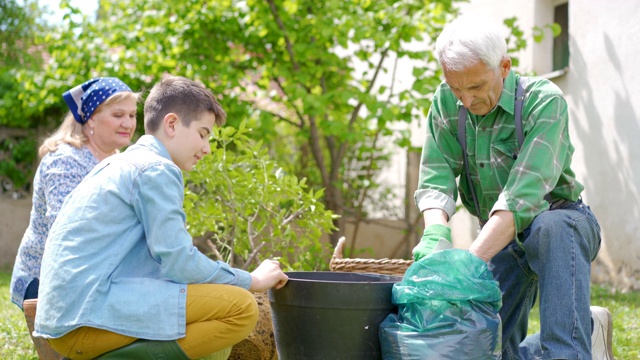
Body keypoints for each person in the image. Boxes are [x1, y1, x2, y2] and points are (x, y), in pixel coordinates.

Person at [33, 75, 289, 360]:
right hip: (85, 320)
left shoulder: (121, 163)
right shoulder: (155, 168)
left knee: (213, 334)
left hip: (66, 319)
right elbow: (179, 262)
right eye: (203, 134)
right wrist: (251, 279)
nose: (206, 148)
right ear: (171, 124)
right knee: (240, 308)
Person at [412, 15, 614, 360]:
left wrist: (469, 265)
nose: (465, 100)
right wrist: (435, 235)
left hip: (559, 222)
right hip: (499, 239)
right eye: (455, 87)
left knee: (552, 226)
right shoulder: (446, 102)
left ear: (504, 67)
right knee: (475, 349)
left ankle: (568, 349)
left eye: (475, 87)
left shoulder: (544, 101)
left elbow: (522, 196)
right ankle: (588, 330)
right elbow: (436, 176)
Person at [10, 77, 139, 309]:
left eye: (132, 115)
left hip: (93, 274)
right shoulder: (65, 160)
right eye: (118, 115)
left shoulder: (120, 161)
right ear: (91, 118)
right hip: (46, 282)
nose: (128, 123)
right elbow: (66, 232)